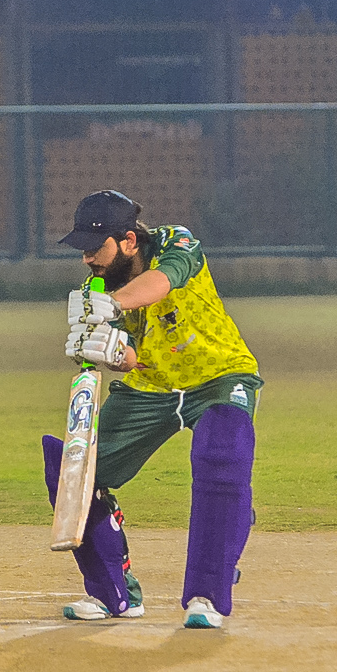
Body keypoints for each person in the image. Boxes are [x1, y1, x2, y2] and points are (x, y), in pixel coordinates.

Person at [44, 189, 262, 629]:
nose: (87, 258)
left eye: (95, 247)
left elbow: (162, 282)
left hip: (219, 376)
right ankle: (114, 594)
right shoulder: (96, 289)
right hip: (151, 387)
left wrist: (114, 304)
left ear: (128, 240)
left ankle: (207, 593)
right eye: (83, 249)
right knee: (78, 471)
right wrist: (108, 351)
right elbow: (131, 355)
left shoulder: (175, 242)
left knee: (222, 453)